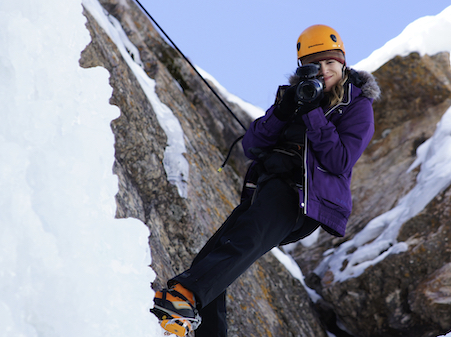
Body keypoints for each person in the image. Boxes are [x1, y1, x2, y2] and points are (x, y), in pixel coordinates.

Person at [151, 24, 380, 337]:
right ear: (304, 69)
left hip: (303, 198)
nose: (324, 71)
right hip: (269, 187)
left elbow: (338, 160)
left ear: (343, 63)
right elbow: (252, 145)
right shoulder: (296, 97)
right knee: (214, 255)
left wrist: (312, 114)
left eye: (330, 63)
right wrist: (284, 110)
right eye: (315, 65)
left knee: (247, 238)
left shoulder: (358, 105)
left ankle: (185, 297)